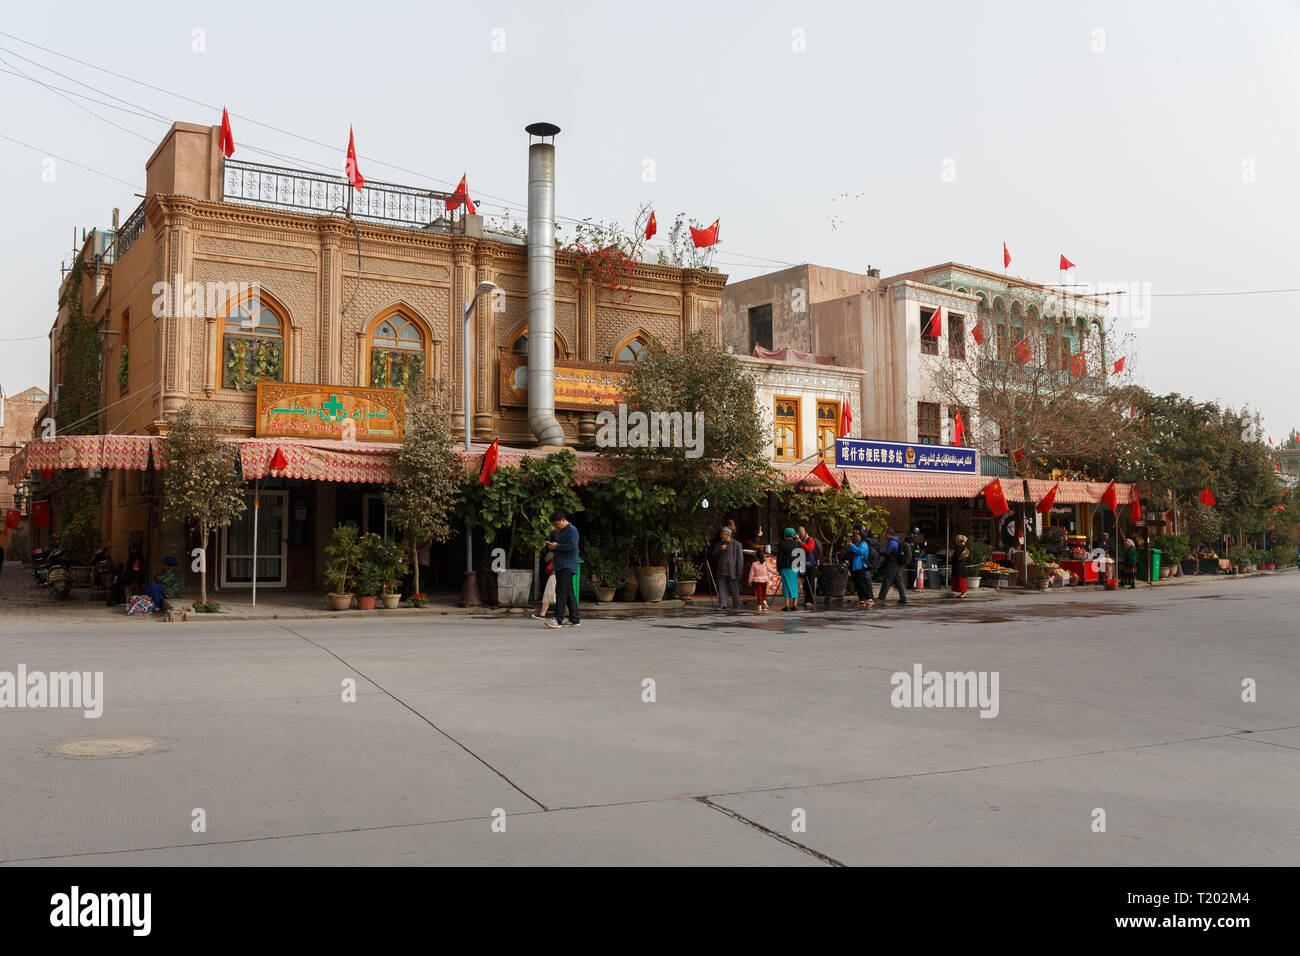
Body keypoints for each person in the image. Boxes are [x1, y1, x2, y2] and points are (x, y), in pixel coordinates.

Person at [545, 512, 580, 628]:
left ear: (563, 520)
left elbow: (572, 546)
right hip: (561, 565)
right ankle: (574, 619)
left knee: (561, 592)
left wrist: (557, 546)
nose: (556, 527)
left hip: (567, 566)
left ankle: (558, 619)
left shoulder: (571, 530)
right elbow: (562, 547)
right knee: (569, 593)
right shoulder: (562, 532)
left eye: (557, 524)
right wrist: (553, 547)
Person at [711, 526, 744, 610]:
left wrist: (739, 572)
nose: (721, 535)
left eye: (723, 534)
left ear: (728, 534)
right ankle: (722, 605)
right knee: (722, 588)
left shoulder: (737, 544)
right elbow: (713, 555)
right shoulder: (719, 544)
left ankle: (736, 606)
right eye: (721, 534)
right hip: (722, 570)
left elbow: (740, 560)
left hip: (733, 571)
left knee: (734, 590)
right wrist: (720, 549)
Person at [843, 531, 875, 608]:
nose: (855, 537)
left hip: (861, 567)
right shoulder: (856, 544)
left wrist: (852, 546)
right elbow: (848, 552)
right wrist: (848, 546)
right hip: (856, 567)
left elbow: (860, 551)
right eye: (854, 536)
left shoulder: (864, 544)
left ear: (861, 536)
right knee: (858, 585)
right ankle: (862, 600)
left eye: (856, 536)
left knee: (862, 584)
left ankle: (870, 600)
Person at [877, 528, 908, 605]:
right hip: (898, 564)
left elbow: (887, 553)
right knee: (899, 581)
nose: (884, 535)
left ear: (889, 534)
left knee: (887, 581)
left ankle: (881, 597)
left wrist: (879, 552)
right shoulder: (898, 541)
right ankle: (903, 597)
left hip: (892, 564)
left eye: (885, 534)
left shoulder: (892, 542)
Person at [532, 531, 558, 620]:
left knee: (548, 594)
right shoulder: (564, 546)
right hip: (562, 574)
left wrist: (551, 548)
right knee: (563, 595)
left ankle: (542, 613)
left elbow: (547, 558)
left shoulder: (555, 549)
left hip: (554, 575)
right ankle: (570, 614)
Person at [776, 528, 802, 612]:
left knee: (786, 585)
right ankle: (794, 605)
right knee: (794, 585)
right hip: (795, 567)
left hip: (785, 567)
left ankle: (787, 605)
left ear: (785, 535)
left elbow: (779, 557)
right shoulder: (797, 544)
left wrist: (778, 568)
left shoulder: (782, 544)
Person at [797, 525, 820, 609]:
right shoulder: (800, 540)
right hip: (803, 564)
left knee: (811, 582)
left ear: (804, 531)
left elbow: (810, 549)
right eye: (799, 533)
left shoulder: (810, 539)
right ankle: (806, 600)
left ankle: (811, 601)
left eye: (801, 532)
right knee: (805, 584)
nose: (800, 534)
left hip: (811, 564)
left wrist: (801, 543)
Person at [950, 534, 970, 598]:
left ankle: (963, 593)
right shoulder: (961, 547)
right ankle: (962, 593)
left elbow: (958, 556)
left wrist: (952, 557)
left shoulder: (960, 547)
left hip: (959, 566)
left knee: (961, 580)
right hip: (959, 566)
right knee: (959, 579)